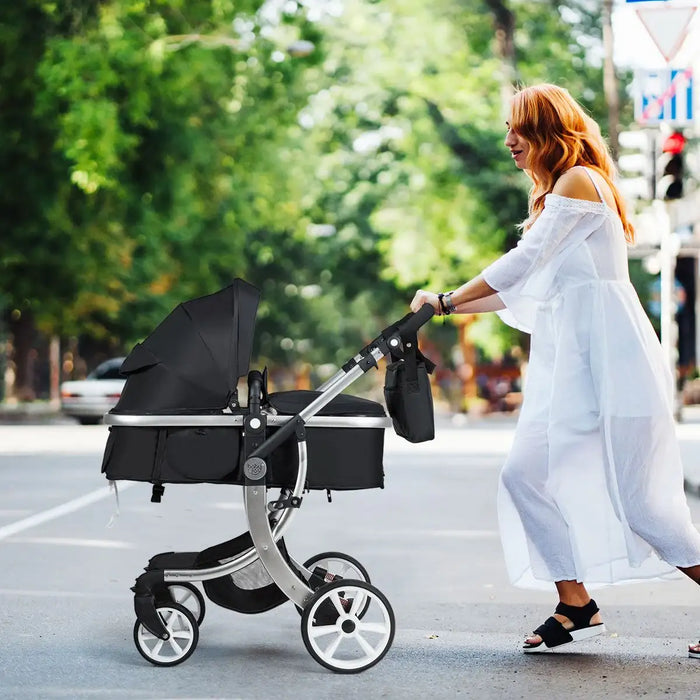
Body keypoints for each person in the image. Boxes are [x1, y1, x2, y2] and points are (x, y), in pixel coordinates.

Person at [410, 83, 700, 657]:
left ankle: (580, 601)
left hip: (612, 363)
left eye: (520, 129)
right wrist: (443, 308)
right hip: (571, 366)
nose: (509, 141)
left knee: (641, 501)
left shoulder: (579, 182)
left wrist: (445, 298)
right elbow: (524, 285)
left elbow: (522, 262)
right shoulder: (556, 196)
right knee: (525, 475)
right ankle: (575, 602)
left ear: (548, 132)